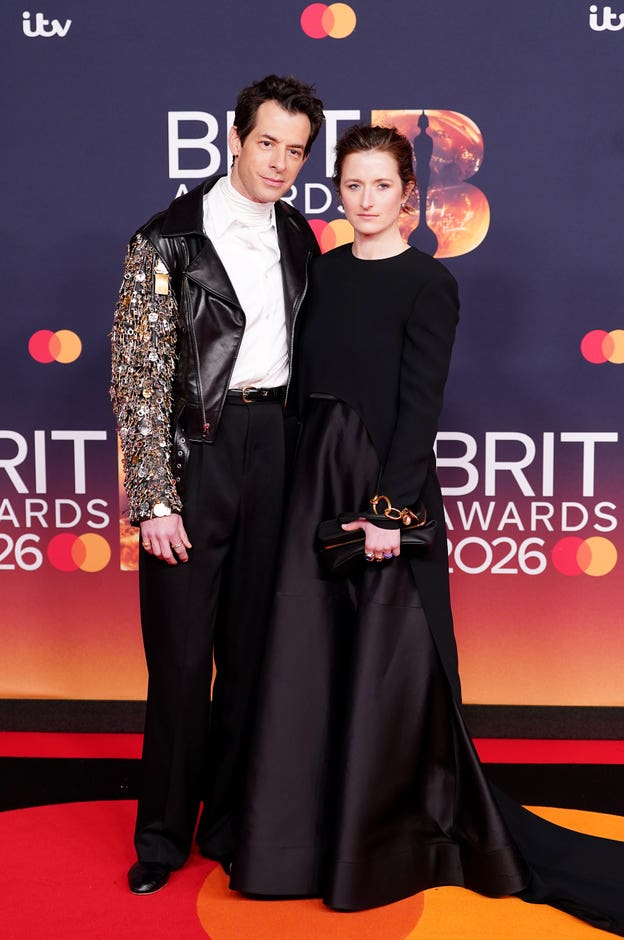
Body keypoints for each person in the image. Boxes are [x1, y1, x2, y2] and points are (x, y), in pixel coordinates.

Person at [230, 125, 624, 936]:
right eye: (352, 186)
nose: (365, 201)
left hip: (381, 490)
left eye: (381, 187)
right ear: (337, 193)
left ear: (409, 197)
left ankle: (376, 840)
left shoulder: (427, 284)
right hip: (312, 485)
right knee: (309, 661)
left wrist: (389, 513)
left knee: (387, 667)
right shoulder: (319, 273)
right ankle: (293, 843)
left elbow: (421, 409)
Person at [110, 74, 324, 896]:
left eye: (295, 150)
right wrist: (153, 496)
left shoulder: (302, 236)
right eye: (266, 142)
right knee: (178, 659)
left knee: (250, 654)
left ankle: (232, 824)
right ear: (234, 138)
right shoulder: (166, 237)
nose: (279, 162)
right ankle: (163, 836)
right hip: (196, 455)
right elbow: (136, 376)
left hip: (275, 445)